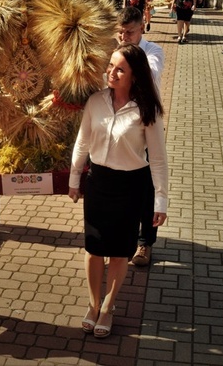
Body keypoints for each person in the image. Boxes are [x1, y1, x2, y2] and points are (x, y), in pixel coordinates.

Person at [68, 42, 168, 338]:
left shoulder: (147, 109)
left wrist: (160, 200)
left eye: (119, 69)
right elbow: (82, 141)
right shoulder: (95, 101)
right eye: (110, 66)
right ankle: (93, 303)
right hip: (98, 183)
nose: (111, 72)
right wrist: (75, 178)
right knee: (94, 248)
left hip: (131, 186)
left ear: (134, 75)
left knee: (120, 252)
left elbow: (159, 159)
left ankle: (109, 307)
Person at [115, 8, 164, 268]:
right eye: (120, 32)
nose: (124, 37)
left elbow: (150, 76)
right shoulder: (112, 51)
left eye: (130, 32)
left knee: (146, 187)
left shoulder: (153, 51)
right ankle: (122, 237)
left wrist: (119, 64)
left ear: (142, 28)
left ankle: (145, 242)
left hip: (144, 127)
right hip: (115, 129)